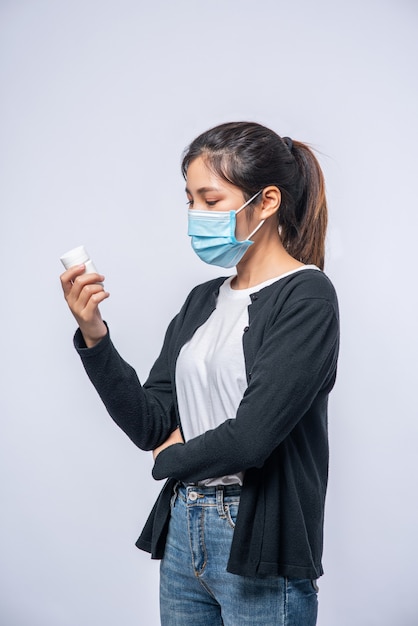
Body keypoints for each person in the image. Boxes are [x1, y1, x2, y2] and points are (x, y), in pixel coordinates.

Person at [60, 121, 340, 626]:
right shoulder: (202, 301)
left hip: (255, 537)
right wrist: (96, 336)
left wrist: (172, 457)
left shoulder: (307, 297)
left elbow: (253, 438)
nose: (195, 215)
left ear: (267, 200)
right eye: (189, 200)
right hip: (184, 526)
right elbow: (149, 421)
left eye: (210, 200)